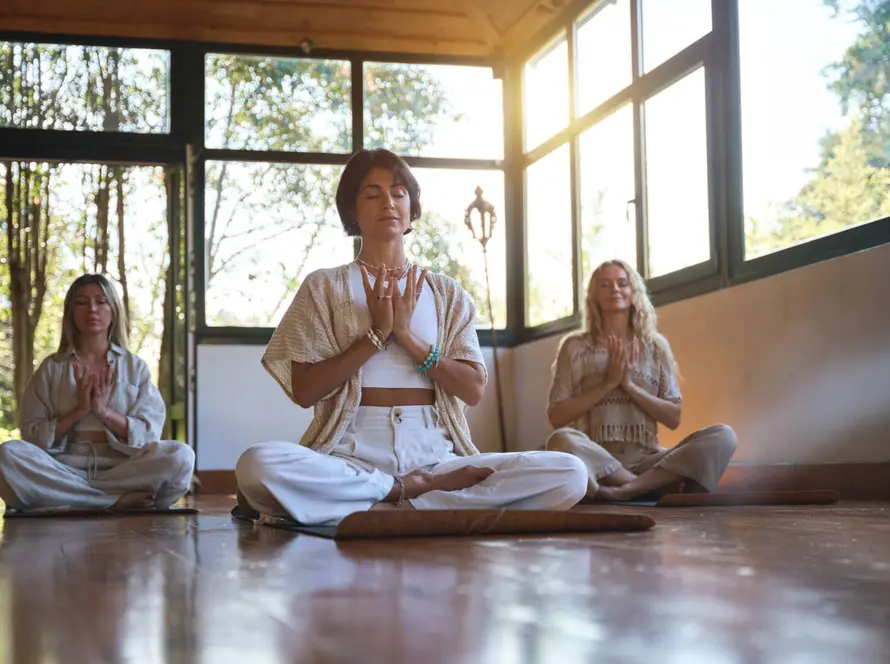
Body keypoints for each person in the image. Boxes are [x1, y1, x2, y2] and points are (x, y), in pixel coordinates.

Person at [235, 148, 586, 525]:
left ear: (411, 207)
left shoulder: (446, 292)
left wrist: (405, 335)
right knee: (256, 465)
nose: (388, 201)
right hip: (351, 451)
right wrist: (374, 336)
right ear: (352, 211)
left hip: (435, 451)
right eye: (372, 194)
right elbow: (304, 392)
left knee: (569, 473)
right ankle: (403, 492)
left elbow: (472, 389)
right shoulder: (324, 287)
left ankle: (393, 504)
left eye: (399, 192)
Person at [0, 274, 195, 512]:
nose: (92, 309)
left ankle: (74, 500)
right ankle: (112, 501)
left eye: (101, 301)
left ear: (113, 310)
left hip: (124, 470)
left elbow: (148, 433)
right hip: (64, 468)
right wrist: (79, 412)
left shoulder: (135, 367)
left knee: (181, 455)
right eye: (82, 302)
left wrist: (104, 413)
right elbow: (32, 435)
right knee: (7, 455)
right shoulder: (52, 368)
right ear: (71, 312)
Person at [545, 259, 736, 501]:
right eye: (605, 284)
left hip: (649, 460)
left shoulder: (655, 347)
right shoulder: (574, 347)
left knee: (723, 435)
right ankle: (646, 487)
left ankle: (626, 491)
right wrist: (608, 383)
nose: (614, 289)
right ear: (594, 294)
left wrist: (628, 385)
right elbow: (557, 416)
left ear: (633, 291)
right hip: (596, 460)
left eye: (622, 283)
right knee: (560, 440)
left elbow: (673, 417)